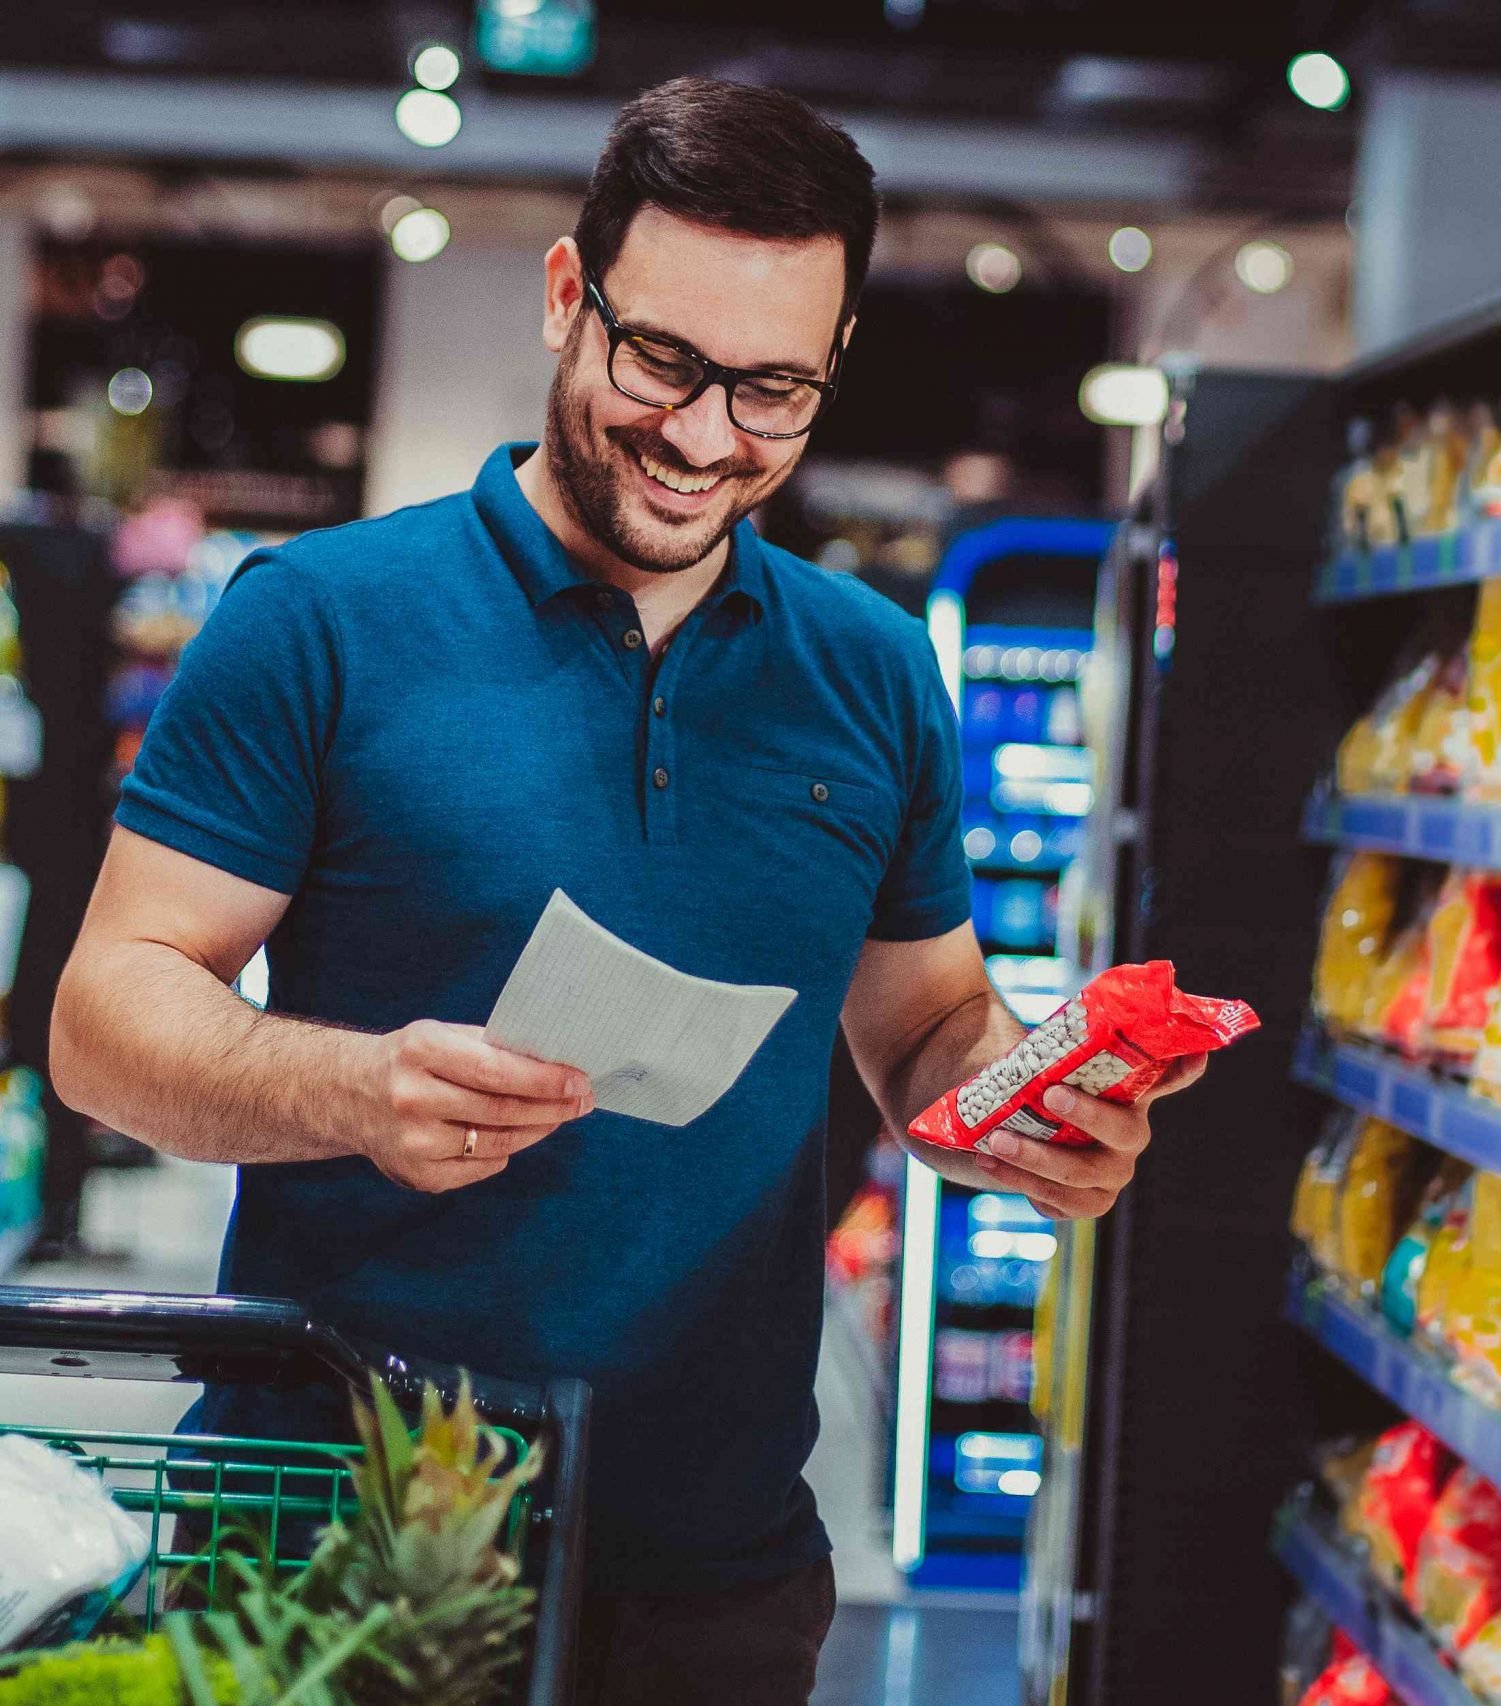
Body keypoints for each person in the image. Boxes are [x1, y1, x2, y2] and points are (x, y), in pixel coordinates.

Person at [48, 77, 1195, 1706]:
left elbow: (926, 1019)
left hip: (713, 1575)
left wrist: (1022, 1108)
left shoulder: (870, 674)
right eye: (665, 360)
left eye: (776, 390)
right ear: (569, 299)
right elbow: (105, 1016)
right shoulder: (318, 618)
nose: (708, 436)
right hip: (337, 1551)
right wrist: (352, 1086)